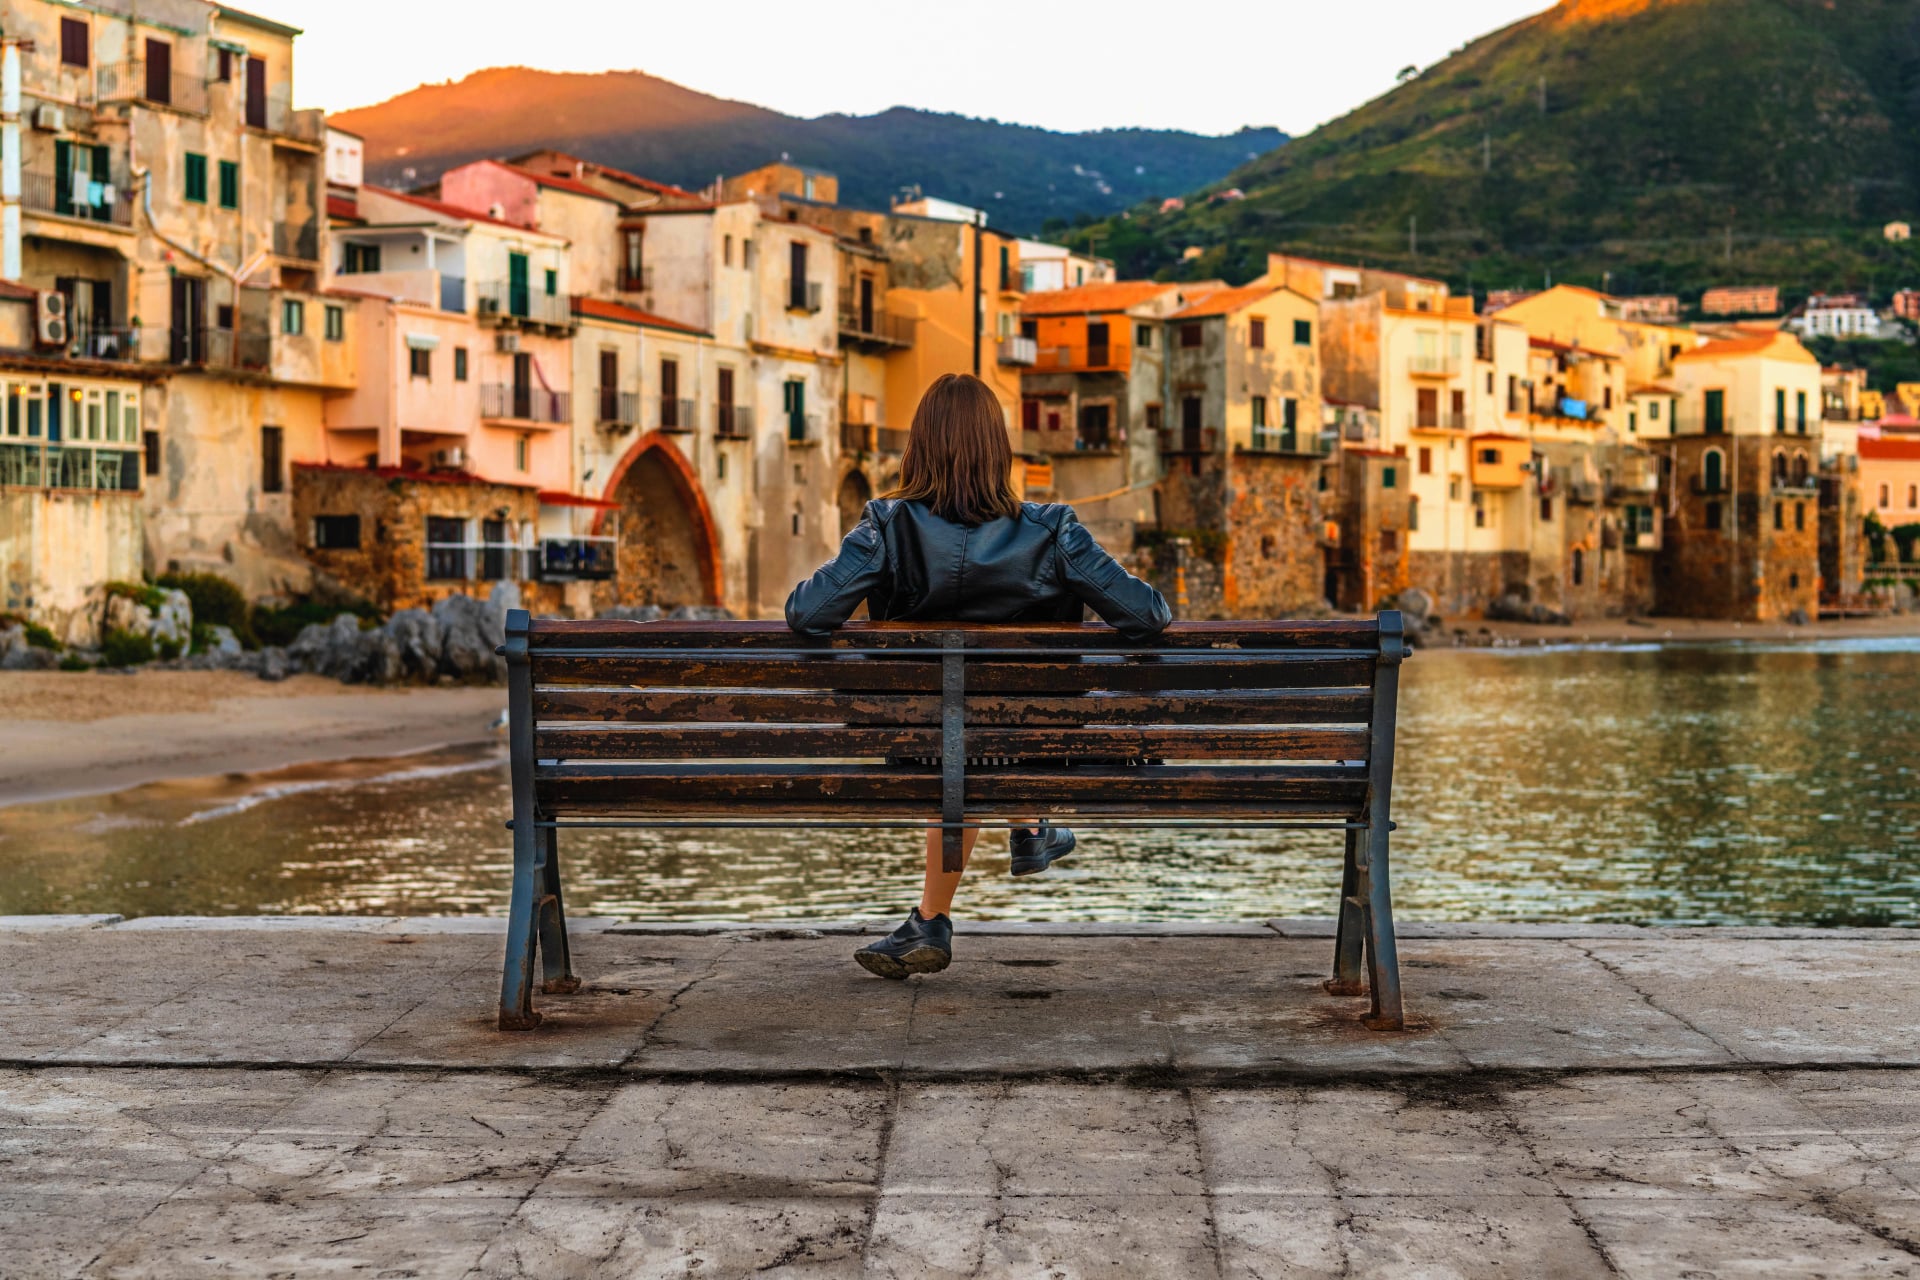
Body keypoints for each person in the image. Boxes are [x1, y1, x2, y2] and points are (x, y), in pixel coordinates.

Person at [785, 372, 1170, 980]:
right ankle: (1026, 825)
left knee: (960, 739)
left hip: (911, 744)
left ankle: (945, 906)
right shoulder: (1053, 529)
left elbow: (807, 613)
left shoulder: (885, 526)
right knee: (985, 733)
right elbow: (1148, 615)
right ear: (1000, 449)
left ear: (918, 445)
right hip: (1033, 740)